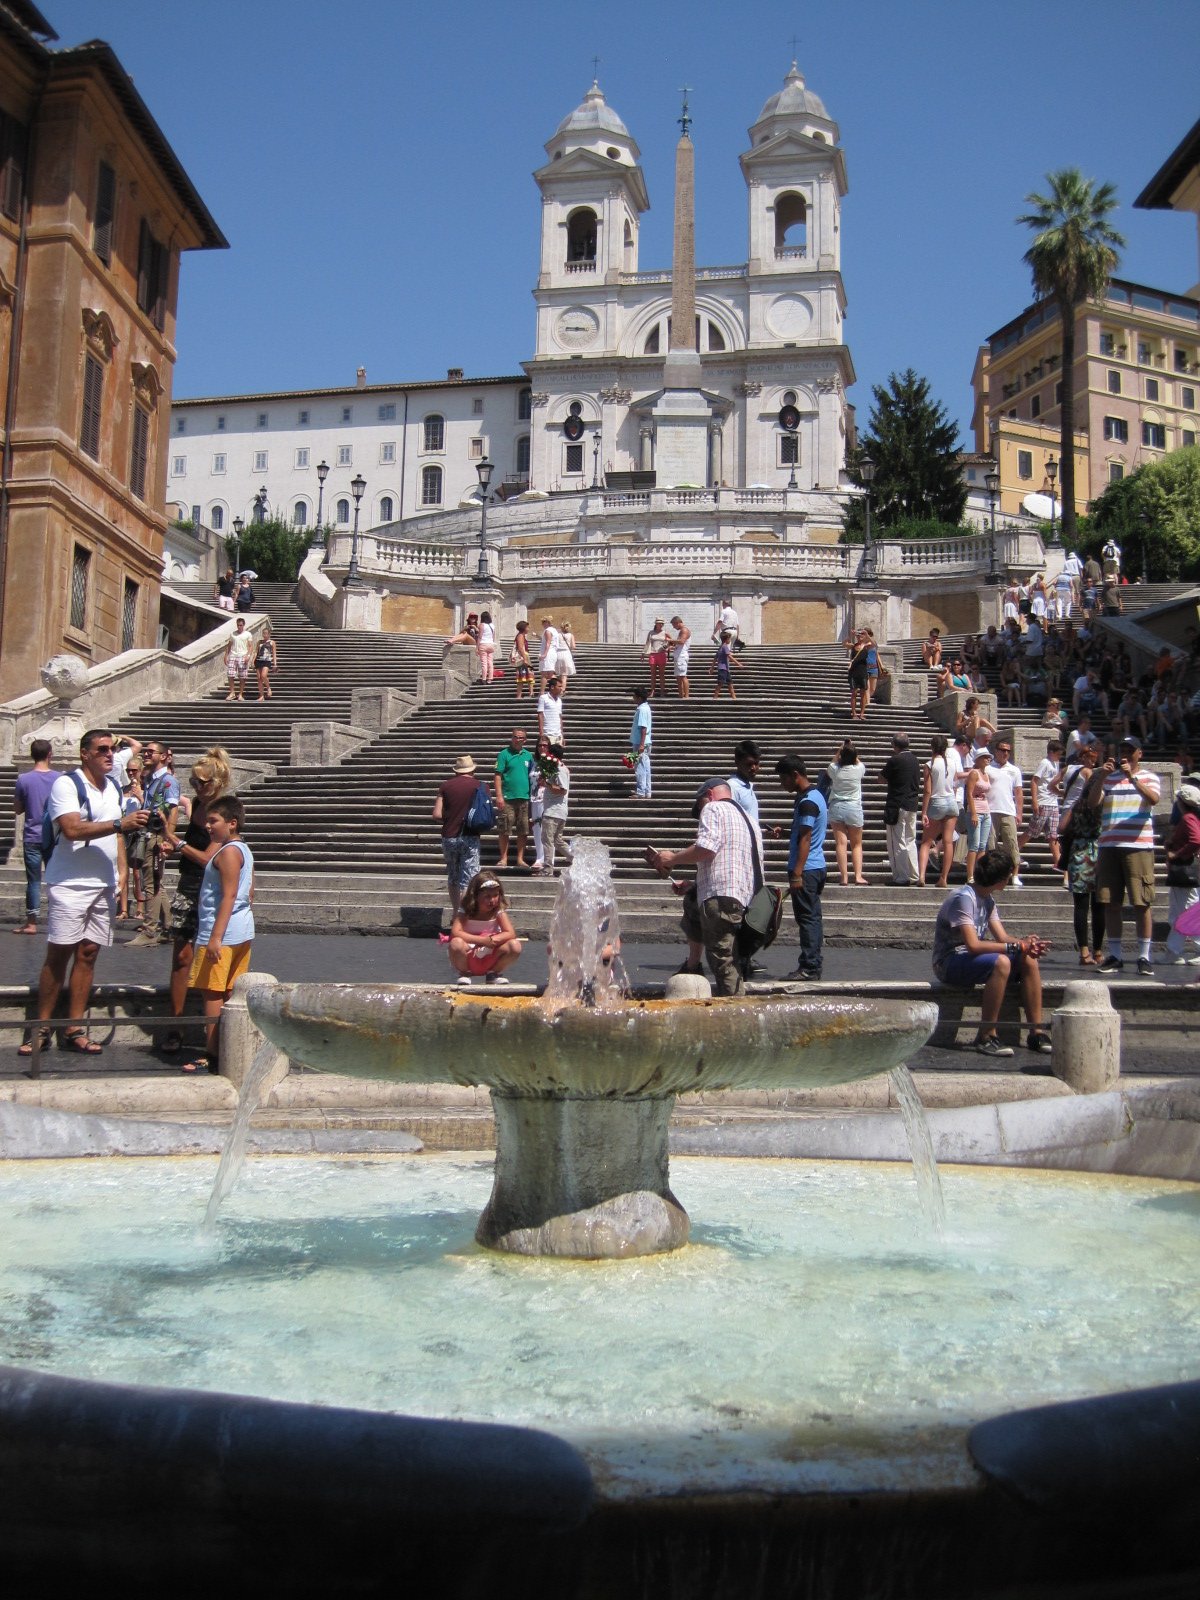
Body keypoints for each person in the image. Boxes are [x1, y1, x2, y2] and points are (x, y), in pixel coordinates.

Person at [21, 730, 148, 1058]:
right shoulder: (67, 784)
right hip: (70, 882)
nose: (109, 754)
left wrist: (121, 873)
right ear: (84, 754)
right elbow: (72, 829)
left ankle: (74, 1027)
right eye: (102, 750)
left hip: (103, 882)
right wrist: (120, 824)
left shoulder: (113, 787)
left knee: (89, 953)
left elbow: (118, 837)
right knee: (59, 954)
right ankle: (41, 1026)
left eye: (111, 749)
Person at [644, 777, 763, 997]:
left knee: (723, 959)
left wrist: (672, 858)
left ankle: (734, 1009)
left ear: (709, 795)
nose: (700, 813)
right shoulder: (749, 818)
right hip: (746, 898)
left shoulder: (713, 808)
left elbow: (707, 847)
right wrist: (695, 885)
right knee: (695, 908)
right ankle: (693, 966)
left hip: (721, 897)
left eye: (699, 807)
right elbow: (733, 862)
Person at [932, 848, 1052, 1058]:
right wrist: (1017, 947)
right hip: (948, 961)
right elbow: (973, 945)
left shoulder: (987, 900)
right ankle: (987, 1035)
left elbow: (1002, 937)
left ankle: (1036, 1031)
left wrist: (1026, 944)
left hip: (970, 959)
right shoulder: (963, 898)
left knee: (1028, 958)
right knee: (1002, 962)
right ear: (1001, 880)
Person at [160, 747, 233, 1055]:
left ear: (217, 782)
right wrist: (173, 847)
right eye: (193, 782)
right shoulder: (197, 806)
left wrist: (175, 842)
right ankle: (174, 1024)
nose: (197, 787)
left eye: (203, 782)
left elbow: (208, 858)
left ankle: (216, 1031)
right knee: (181, 957)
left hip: (212, 889)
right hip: (188, 885)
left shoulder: (223, 812)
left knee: (213, 959)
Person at [183, 795, 254, 1074]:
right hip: (241, 931)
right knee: (229, 992)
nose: (208, 826)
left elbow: (229, 896)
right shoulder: (244, 849)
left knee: (212, 994)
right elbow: (249, 892)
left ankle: (212, 1053)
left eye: (213, 821)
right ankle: (229, 1049)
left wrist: (215, 937)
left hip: (220, 933)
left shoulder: (226, 853)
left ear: (231, 823)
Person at [1089, 736, 1161, 976]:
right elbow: (1092, 803)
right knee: (1111, 903)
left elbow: (1153, 799)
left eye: (1131, 750)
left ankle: (1144, 955)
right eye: (1123, 750)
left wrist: (1132, 778)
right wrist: (1101, 776)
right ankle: (1116, 955)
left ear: (1140, 753)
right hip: (1109, 845)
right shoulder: (1109, 778)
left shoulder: (1149, 777)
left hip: (1138, 845)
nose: (1126, 754)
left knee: (1141, 902)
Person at [774, 755, 827, 980]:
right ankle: (812, 963)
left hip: (807, 869)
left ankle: (810, 966)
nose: (782, 784)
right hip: (816, 865)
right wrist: (787, 832)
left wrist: (797, 872)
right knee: (812, 917)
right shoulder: (815, 796)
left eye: (783, 779)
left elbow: (806, 838)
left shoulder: (807, 802)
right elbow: (805, 831)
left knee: (807, 919)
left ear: (795, 775)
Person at [129, 739, 180, 945]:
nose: (146, 754)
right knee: (156, 883)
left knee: (151, 884)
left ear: (164, 756)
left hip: (157, 836)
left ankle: (149, 930)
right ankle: (169, 928)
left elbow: (173, 810)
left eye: (151, 752)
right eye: (146, 751)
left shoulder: (168, 781)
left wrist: (169, 839)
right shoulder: (150, 778)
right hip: (148, 833)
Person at [1056, 742, 1104, 965]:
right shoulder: (1102, 804)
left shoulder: (1077, 804)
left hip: (1079, 853)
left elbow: (1061, 828)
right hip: (1098, 852)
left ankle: (1084, 951)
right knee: (1099, 905)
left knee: (1081, 906)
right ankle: (1098, 951)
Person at [12, 739, 59, 936]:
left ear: (32, 755)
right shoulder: (59, 778)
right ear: (50, 754)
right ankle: (57, 920)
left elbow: (18, 809)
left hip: (32, 835)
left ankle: (31, 923)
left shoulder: (24, 779)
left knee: (33, 880)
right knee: (56, 879)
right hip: (53, 835)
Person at [448, 873, 522, 986]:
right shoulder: (466, 910)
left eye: (495, 895)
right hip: (469, 952)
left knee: (515, 945)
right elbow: (455, 932)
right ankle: (464, 973)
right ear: (475, 896)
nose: (492, 900)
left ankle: (493, 973)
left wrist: (492, 940)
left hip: (490, 951)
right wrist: (481, 941)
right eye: (487, 896)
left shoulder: (498, 911)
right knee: (456, 943)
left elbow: (510, 933)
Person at [432, 754, 482, 912]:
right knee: (469, 876)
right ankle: (463, 913)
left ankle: (455, 912)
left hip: (449, 836)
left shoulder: (445, 786)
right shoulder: (480, 786)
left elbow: (437, 814)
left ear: (456, 771)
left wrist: (451, 818)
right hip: (470, 835)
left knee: (453, 875)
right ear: (472, 770)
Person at [1162, 783, 1200, 966]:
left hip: (1184, 869)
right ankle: (1174, 950)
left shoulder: (1187, 818)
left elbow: (1196, 840)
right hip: (1185, 869)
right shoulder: (1192, 818)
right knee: (1182, 910)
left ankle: (1175, 951)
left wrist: (1176, 854)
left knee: (1185, 911)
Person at [880, 732, 920, 885]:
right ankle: (914, 874)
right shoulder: (915, 760)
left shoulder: (895, 760)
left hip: (897, 805)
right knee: (910, 840)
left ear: (894, 745)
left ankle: (901, 876)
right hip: (912, 804)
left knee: (896, 842)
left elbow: (881, 778)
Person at [918, 735, 958, 889]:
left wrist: (924, 812)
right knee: (948, 842)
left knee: (926, 842)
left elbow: (927, 791)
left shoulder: (930, 764)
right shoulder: (952, 763)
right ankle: (944, 878)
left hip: (936, 801)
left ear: (932, 747)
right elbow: (954, 784)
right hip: (951, 801)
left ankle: (922, 876)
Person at [825, 739, 867, 886]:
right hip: (854, 807)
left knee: (841, 843)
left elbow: (832, 763)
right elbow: (857, 760)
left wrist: (840, 749)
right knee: (856, 844)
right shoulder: (859, 769)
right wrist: (851, 750)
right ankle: (858, 876)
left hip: (837, 806)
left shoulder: (834, 769)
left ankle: (844, 877)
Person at [1018, 739, 1063, 872]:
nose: (1060, 756)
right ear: (1051, 752)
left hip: (1053, 802)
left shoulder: (1056, 763)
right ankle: (1014, 851)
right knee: (1032, 830)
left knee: (1053, 834)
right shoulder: (1045, 763)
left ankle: (1058, 862)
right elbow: (1034, 781)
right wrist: (1035, 801)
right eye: (1058, 753)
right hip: (1043, 802)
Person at [493, 728, 534, 870]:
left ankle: (520, 859)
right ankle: (503, 858)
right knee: (504, 828)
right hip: (508, 797)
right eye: (515, 737)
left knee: (523, 829)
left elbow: (532, 775)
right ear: (512, 738)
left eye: (521, 737)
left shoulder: (528, 755)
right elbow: (497, 775)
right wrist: (499, 796)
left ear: (525, 740)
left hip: (524, 797)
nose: (518, 740)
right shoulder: (504, 754)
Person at [986, 739, 1025, 884]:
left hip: (1008, 810)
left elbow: (1018, 792)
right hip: (990, 810)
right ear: (996, 751)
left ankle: (1015, 875)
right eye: (1003, 750)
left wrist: (1019, 813)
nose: (1006, 753)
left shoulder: (1014, 770)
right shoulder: (988, 768)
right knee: (991, 845)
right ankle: (993, 874)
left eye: (1008, 751)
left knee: (1012, 843)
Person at [539, 744, 571, 875]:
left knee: (547, 840)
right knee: (557, 841)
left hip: (554, 811)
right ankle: (577, 859)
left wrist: (547, 784)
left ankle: (548, 868)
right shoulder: (556, 768)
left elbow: (563, 790)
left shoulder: (559, 769)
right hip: (557, 811)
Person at [963, 747, 993, 886]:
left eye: (988, 757)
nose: (988, 759)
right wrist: (973, 813)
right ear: (978, 759)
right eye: (985, 757)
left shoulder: (985, 774)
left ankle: (979, 873)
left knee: (982, 845)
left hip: (985, 810)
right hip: (975, 810)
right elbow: (969, 793)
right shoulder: (974, 773)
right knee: (974, 845)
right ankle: (970, 875)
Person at [728, 739, 761, 823]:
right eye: (749, 764)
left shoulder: (748, 786)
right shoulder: (732, 787)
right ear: (737, 762)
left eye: (756, 763)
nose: (753, 768)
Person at [628, 686, 652, 799]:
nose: (633, 698)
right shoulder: (646, 708)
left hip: (640, 742)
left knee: (640, 767)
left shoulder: (642, 710)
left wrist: (641, 744)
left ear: (639, 698)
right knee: (646, 766)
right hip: (646, 742)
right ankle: (647, 790)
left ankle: (641, 791)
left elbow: (643, 727)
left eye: (634, 696)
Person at [224, 616, 253, 702]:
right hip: (233, 655)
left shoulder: (248, 634)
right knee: (230, 674)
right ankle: (232, 693)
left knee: (242, 676)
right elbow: (229, 645)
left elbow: (250, 646)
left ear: (243, 625)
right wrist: (226, 655)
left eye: (241, 625)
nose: (239, 627)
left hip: (243, 655)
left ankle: (240, 694)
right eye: (238, 625)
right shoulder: (233, 634)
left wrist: (248, 656)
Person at [845, 628, 871, 720]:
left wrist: (867, 634)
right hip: (853, 672)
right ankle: (854, 713)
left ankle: (862, 713)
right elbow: (844, 644)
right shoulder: (853, 646)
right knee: (854, 693)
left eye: (862, 634)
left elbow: (874, 643)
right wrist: (850, 635)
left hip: (863, 671)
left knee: (863, 693)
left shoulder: (867, 645)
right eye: (859, 635)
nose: (860, 636)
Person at [644, 617, 670, 699]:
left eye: (662, 623)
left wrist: (667, 647)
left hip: (661, 654)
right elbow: (647, 643)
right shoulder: (651, 632)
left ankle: (662, 691)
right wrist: (643, 653)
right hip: (653, 653)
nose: (660, 624)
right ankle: (652, 691)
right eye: (659, 623)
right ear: (656, 624)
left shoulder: (665, 633)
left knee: (661, 674)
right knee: (653, 674)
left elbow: (671, 642)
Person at [711, 630, 742, 699]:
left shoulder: (721, 647)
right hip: (723, 668)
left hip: (726, 669)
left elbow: (715, 658)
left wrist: (712, 667)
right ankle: (715, 698)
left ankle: (734, 698)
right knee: (720, 683)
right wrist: (738, 664)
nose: (730, 640)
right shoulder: (725, 647)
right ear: (726, 639)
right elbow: (729, 656)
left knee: (730, 684)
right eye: (729, 639)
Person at [538, 616, 566, 691]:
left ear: (547, 622)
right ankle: (560, 689)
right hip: (553, 652)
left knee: (544, 674)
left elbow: (548, 643)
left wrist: (544, 654)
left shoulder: (548, 631)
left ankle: (542, 692)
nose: (542, 624)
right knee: (551, 674)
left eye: (543, 622)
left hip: (548, 653)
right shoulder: (554, 630)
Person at [537, 675, 565, 747]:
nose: (561, 688)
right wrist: (541, 733)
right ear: (552, 687)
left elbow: (560, 717)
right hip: (547, 733)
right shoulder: (543, 698)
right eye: (559, 686)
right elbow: (540, 715)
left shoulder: (559, 700)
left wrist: (562, 734)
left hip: (558, 734)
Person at [511, 619, 534, 699]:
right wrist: (525, 658)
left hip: (524, 656)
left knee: (529, 674)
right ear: (524, 628)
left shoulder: (522, 635)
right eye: (527, 627)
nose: (528, 629)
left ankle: (531, 693)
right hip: (522, 657)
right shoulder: (520, 636)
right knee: (522, 675)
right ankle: (520, 695)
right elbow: (521, 648)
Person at [254, 622, 277, 701]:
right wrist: (252, 660)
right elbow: (256, 652)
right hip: (258, 660)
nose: (264, 635)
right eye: (263, 633)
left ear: (269, 634)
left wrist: (275, 664)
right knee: (259, 678)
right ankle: (261, 696)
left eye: (266, 633)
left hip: (267, 661)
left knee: (263, 675)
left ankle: (268, 687)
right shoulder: (259, 642)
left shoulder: (272, 642)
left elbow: (274, 653)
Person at [669, 616, 692, 698]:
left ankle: (686, 696)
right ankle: (681, 695)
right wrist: (672, 646)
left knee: (682, 676)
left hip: (682, 656)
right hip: (679, 655)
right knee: (678, 676)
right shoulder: (681, 631)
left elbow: (682, 641)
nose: (673, 627)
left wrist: (670, 640)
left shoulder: (684, 630)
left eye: (674, 625)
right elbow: (679, 644)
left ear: (677, 623)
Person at [476, 610, 496, 683]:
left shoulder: (481, 625)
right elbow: (493, 637)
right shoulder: (492, 625)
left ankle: (484, 678)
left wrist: (477, 647)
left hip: (483, 644)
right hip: (491, 644)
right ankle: (490, 679)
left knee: (484, 663)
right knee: (490, 662)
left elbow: (480, 637)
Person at [557, 620, 577, 691]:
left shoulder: (558, 635)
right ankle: (562, 690)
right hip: (566, 654)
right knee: (564, 675)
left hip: (558, 654)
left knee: (559, 674)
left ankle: (558, 689)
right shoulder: (571, 635)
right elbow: (573, 647)